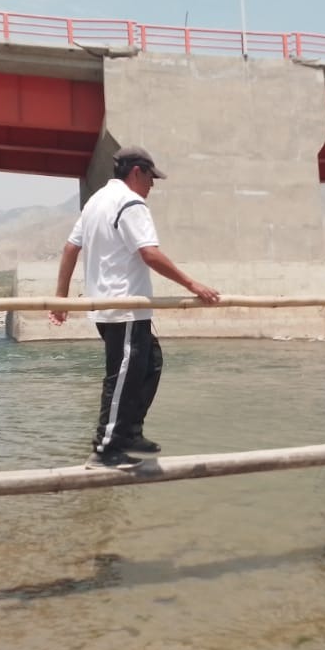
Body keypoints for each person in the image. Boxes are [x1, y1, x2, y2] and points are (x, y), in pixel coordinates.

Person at [50, 146, 220, 470]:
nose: (153, 186)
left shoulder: (95, 202)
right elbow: (150, 254)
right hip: (123, 307)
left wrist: (61, 297)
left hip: (114, 307)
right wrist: (193, 284)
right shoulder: (130, 203)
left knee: (150, 363)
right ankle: (105, 448)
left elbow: (71, 247)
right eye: (151, 178)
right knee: (123, 376)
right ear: (136, 172)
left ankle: (129, 432)